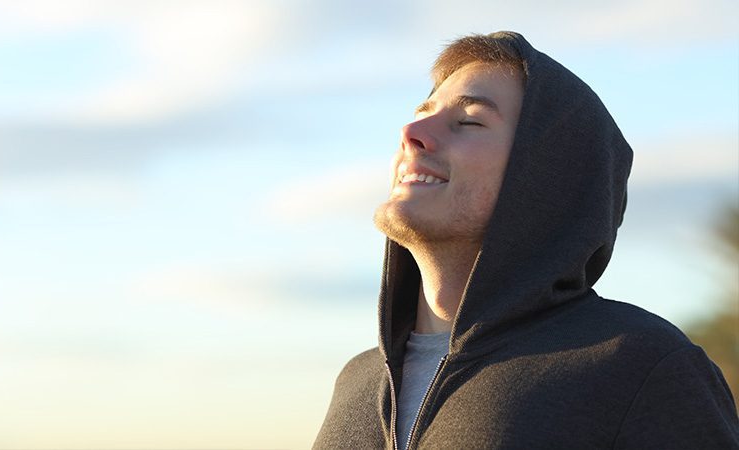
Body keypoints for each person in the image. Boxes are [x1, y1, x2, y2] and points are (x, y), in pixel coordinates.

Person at [313, 31, 739, 449]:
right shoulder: (358, 381)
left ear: (546, 178)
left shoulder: (640, 366)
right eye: (423, 112)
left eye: (468, 121)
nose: (411, 131)